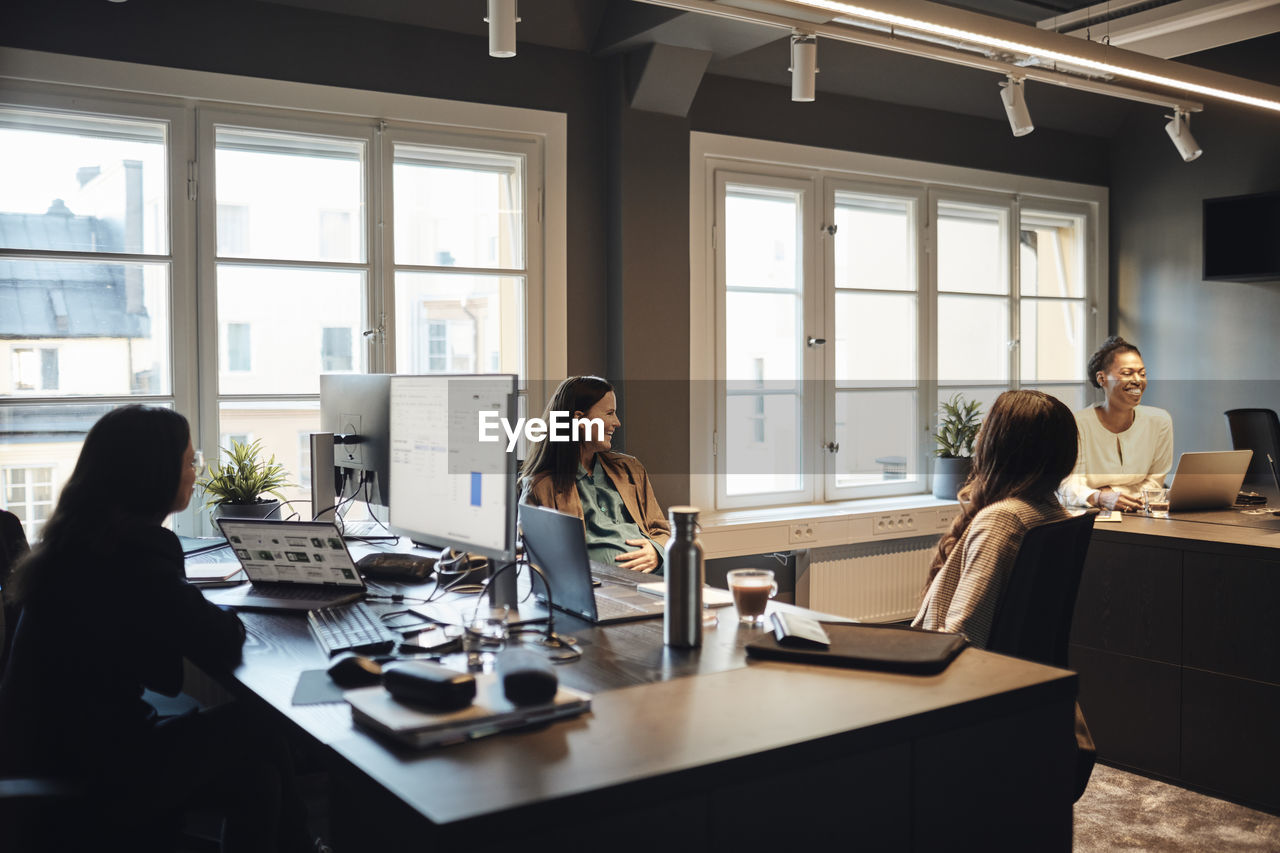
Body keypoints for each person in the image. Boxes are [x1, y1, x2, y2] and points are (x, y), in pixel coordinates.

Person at [0, 406, 317, 852]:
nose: (195, 473)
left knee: (257, 768)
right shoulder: (134, 555)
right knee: (258, 730)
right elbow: (222, 641)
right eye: (190, 462)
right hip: (94, 776)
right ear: (154, 475)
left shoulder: (75, 541)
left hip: (46, 754)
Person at [913, 389, 1078, 648]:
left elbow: (964, 633)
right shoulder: (1055, 514)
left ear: (996, 446)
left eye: (984, 430)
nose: (978, 437)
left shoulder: (1002, 520)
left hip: (950, 671)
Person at [520, 376, 669, 574]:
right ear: (580, 420)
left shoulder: (630, 469)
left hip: (656, 580)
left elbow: (662, 531)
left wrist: (656, 552)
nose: (617, 423)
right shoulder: (541, 487)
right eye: (609, 413)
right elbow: (533, 557)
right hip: (600, 592)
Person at [1059, 335, 1174, 511]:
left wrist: (1111, 493)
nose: (1137, 380)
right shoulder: (1077, 424)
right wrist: (1099, 497)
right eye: (1127, 373)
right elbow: (1069, 485)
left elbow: (1154, 484)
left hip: (1138, 512)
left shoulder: (1160, 421)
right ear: (1101, 378)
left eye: (1142, 373)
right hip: (1088, 515)